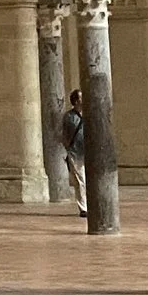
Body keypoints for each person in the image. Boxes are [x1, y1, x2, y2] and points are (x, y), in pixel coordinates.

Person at [60, 89, 88, 219]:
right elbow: (64, 134)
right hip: (75, 153)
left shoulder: (89, 114)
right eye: (81, 98)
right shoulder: (69, 117)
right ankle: (84, 208)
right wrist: (68, 149)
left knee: (87, 181)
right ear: (76, 101)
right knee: (80, 181)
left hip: (88, 153)